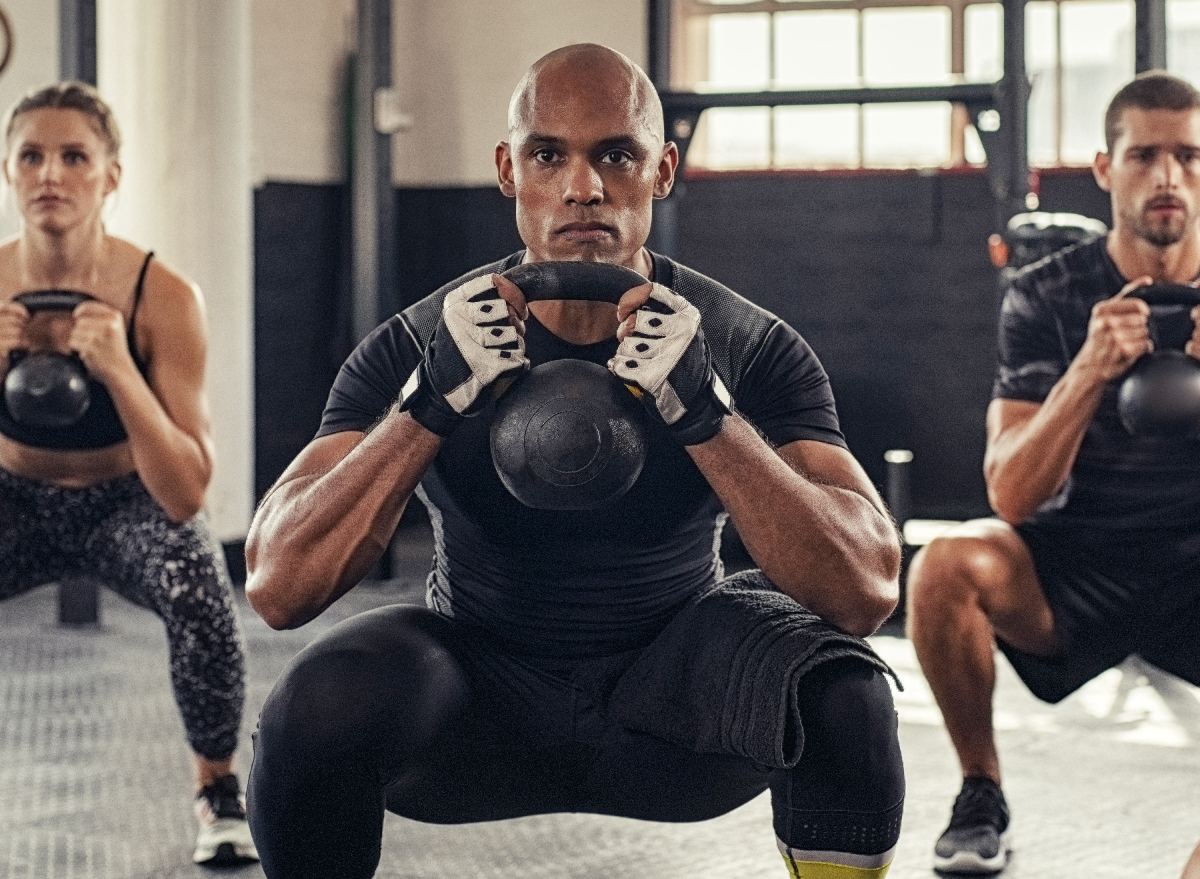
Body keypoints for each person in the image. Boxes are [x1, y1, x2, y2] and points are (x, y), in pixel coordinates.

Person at [245, 43, 906, 879]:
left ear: (663, 170)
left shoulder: (746, 343)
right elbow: (275, 582)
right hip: (475, 691)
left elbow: (868, 585)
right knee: (318, 708)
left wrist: (708, 413)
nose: (583, 186)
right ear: (507, 168)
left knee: (846, 693)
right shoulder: (418, 343)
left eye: (616, 155)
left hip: (678, 697)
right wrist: (427, 406)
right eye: (548, 154)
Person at [906, 70, 1200, 875]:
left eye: (1189, 154)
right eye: (1144, 155)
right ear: (1106, 169)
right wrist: (1087, 371)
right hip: (1075, 563)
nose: (1168, 177)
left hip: (1194, 566)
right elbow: (1010, 490)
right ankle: (979, 790)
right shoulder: (1046, 293)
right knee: (942, 567)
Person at [0, 82, 257, 867]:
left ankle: (216, 790)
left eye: (75, 156)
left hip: (126, 501)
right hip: (12, 494)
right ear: (8, 173)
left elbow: (186, 491)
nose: (52, 173)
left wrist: (120, 371)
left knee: (198, 586)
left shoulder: (164, 295)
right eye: (31, 155)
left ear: (111, 176)